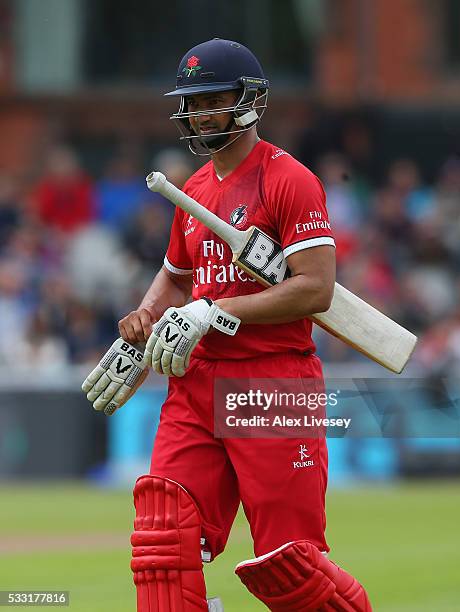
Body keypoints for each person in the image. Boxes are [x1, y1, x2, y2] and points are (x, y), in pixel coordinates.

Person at [83, 39, 372, 611]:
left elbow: (314, 287)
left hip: (272, 384)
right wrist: (142, 323)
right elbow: (175, 277)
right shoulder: (192, 189)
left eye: (213, 100)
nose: (199, 113)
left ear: (250, 102)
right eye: (192, 102)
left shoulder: (289, 180)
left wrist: (217, 312)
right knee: (164, 541)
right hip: (196, 379)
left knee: (291, 565)